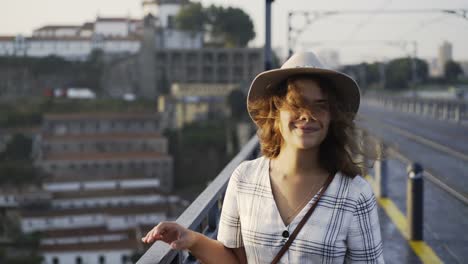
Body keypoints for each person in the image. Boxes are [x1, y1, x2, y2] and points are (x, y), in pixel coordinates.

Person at [142, 52, 384, 263]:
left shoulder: (355, 194)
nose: (307, 116)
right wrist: (192, 239)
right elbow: (234, 260)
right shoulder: (244, 178)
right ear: (275, 112)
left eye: (320, 106)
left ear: (332, 117)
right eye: (296, 104)